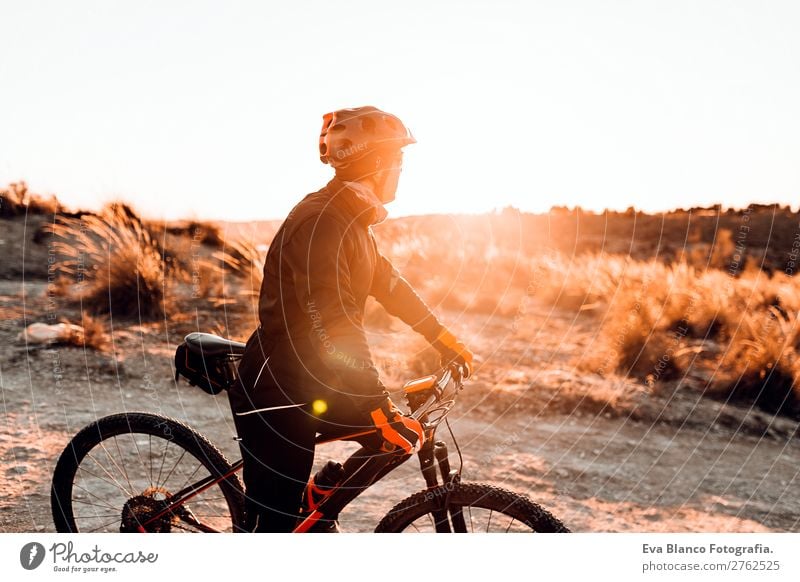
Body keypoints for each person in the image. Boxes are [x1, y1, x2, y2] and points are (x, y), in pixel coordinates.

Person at [227, 106, 474, 532]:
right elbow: (333, 322)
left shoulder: (353, 221)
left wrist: (444, 338)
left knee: (400, 437)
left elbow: (390, 286)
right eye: (398, 158)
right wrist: (376, 403)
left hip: (315, 376)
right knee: (273, 527)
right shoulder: (321, 222)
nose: (401, 167)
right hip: (278, 384)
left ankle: (320, 501)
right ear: (375, 161)